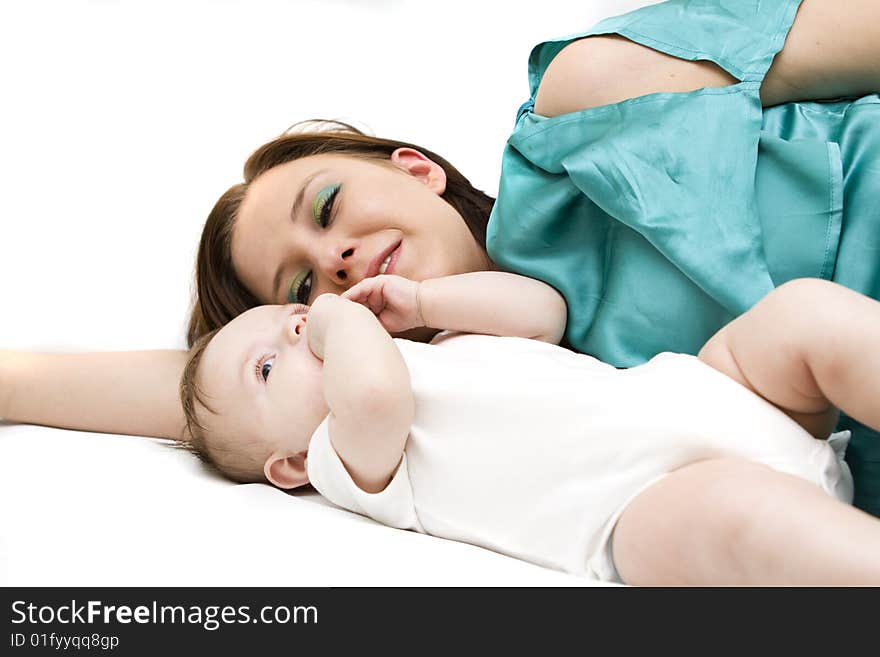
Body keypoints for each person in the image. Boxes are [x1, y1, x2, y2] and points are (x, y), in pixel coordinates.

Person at [3, 0, 880, 513]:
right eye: (303, 282)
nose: (336, 257)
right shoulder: (530, 391)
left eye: (328, 207)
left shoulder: (580, 105)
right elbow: (208, 389)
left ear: (418, 171)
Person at [178, 273, 879, 585]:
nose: (300, 326)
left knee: (801, 314)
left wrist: (423, 299)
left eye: (291, 315)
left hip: (708, 388)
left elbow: (542, 310)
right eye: (269, 364)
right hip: (638, 505)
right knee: (742, 518)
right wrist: (336, 318)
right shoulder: (345, 459)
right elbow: (370, 392)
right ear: (288, 465)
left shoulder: (438, 349)